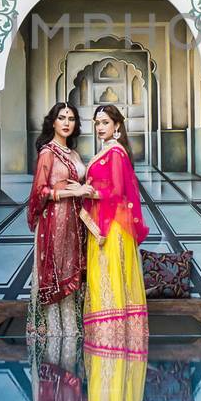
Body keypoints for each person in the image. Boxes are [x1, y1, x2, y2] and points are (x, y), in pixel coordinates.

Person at [81, 103, 149, 355]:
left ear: (117, 125)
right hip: (101, 221)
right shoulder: (106, 151)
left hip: (114, 226)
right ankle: (104, 339)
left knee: (110, 276)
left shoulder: (116, 153)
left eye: (105, 122)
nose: (100, 127)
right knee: (102, 278)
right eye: (97, 123)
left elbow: (118, 191)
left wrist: (91, 192)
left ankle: (114, 337)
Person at [26, 101, 89, 342]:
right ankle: (52, 336)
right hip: (53, 223)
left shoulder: (73, 154)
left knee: (71, 271)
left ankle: (71, 335)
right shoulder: (47, 153)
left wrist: (83, 190)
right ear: (52, 122)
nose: (66, 123)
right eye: (62, 117)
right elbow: (40, 192)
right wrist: (72, 193)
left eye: (71, 118)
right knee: (55, 272)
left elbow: (82, 185)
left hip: (74, 223)